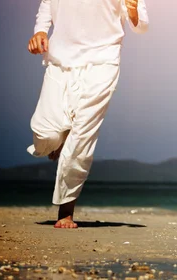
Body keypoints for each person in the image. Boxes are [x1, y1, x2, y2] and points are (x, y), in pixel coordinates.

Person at [26, 0, 149, 229]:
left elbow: (141, 25)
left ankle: (66, 211)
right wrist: (40, 30)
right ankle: (59, 141)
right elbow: (47, 4)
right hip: (60, 60)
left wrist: (132, 11)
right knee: (46, 137)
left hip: (103, 62)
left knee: (82, 135)